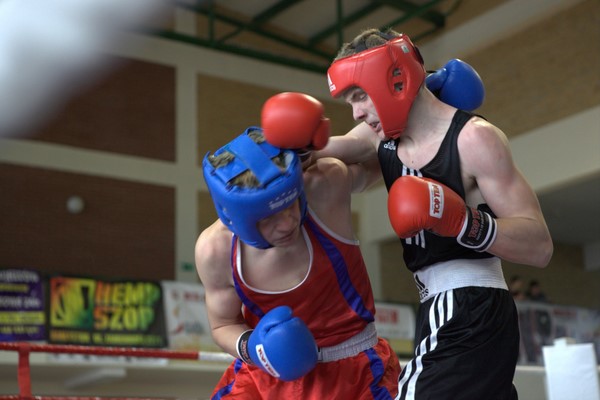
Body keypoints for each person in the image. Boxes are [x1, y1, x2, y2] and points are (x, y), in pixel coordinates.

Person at [263, 29, 554, 399]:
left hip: (471, 304)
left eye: (360, 96)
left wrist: (463, 221)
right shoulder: (385, 137)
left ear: (394, 80)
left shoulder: (473, 138)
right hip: (440, 306)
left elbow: (540, 246)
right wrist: (292, 145)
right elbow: (339, 151)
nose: (356, 112)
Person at [195, 119, 401, 399]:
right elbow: (223, 324)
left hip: (356, 372)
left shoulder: (323, 189)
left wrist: (307, 153)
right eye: (269, 218)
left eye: (290, 203)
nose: (288, 222)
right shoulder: (215, 250)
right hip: (265, 378)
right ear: (236, 219)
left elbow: (381, 150)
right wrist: (254, 348)